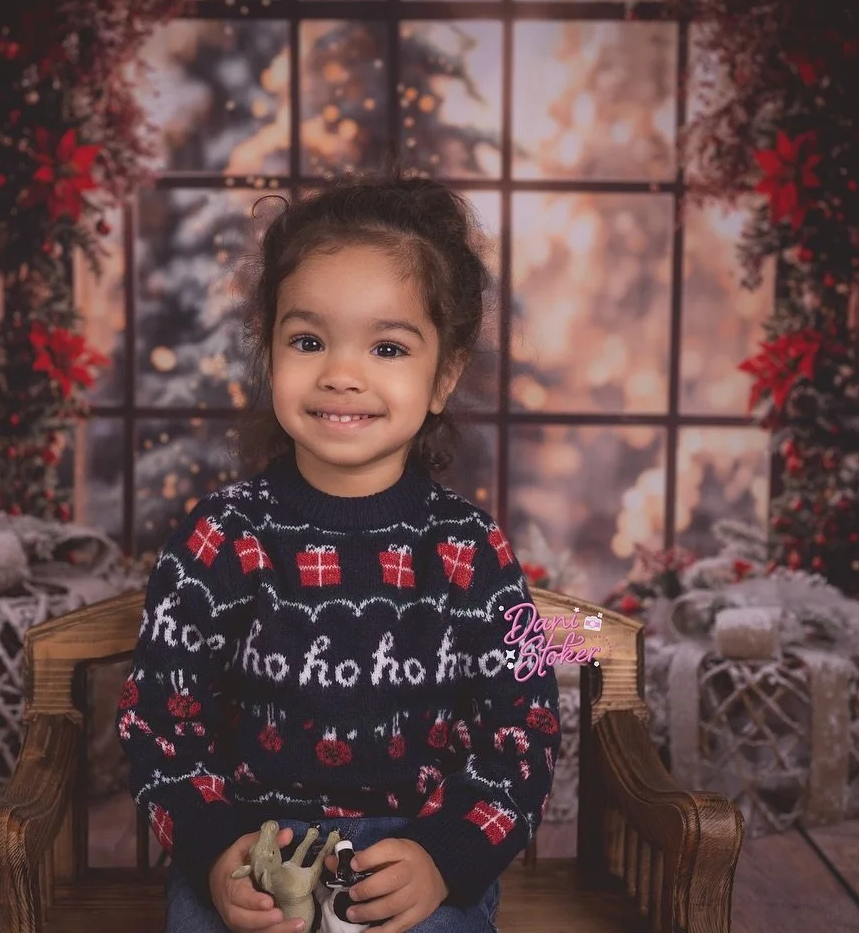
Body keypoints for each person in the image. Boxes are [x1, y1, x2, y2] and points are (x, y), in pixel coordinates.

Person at [118, 172, 562, 933]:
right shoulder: (220, 537)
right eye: (309, 340)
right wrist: (216, 850)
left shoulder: (473, 551)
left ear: (443, 377)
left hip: (412, 856)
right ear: (270, 352)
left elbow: (525, 728)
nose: (341, 374)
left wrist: (445, 856)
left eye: (388, 346)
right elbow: (159, 718)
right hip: (254, 851)